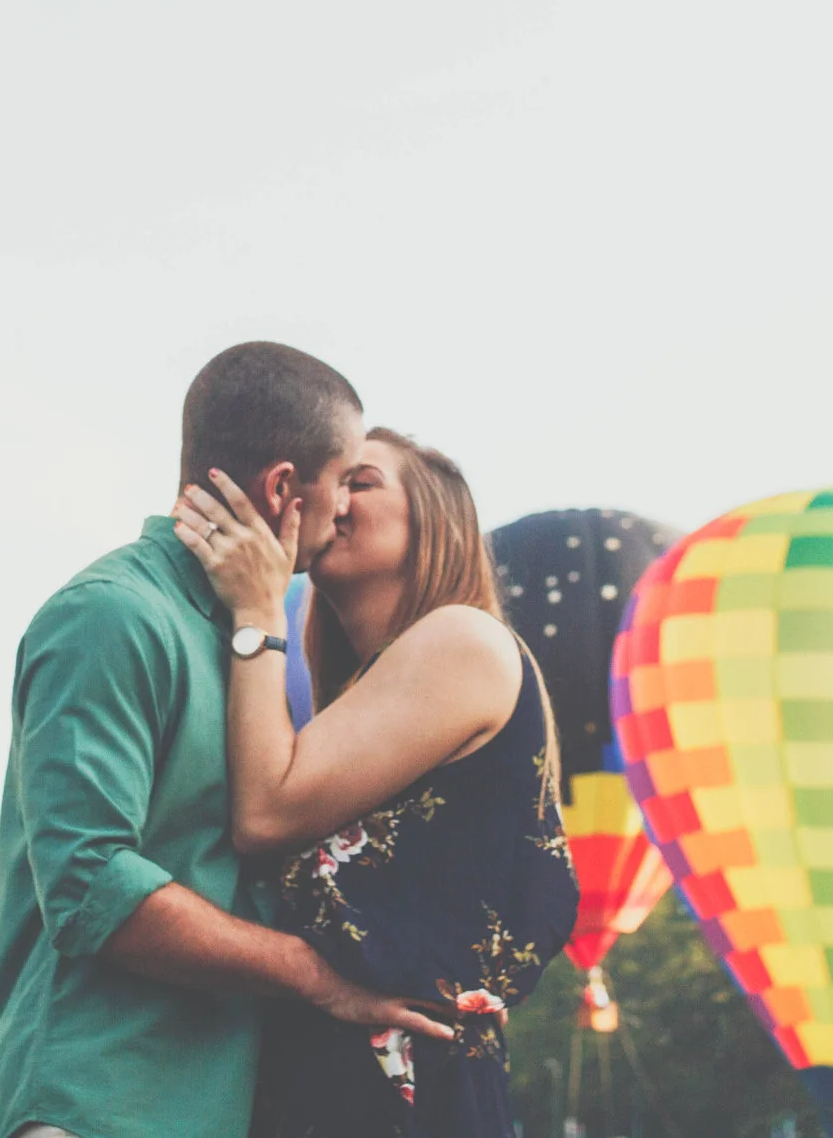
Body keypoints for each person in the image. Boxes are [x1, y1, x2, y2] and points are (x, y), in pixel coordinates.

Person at [0, 343, 454, 1138]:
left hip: (202, 1103)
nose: (343, 514)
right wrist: (314, 974)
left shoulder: (259, 643)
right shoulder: (110, 615)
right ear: (286, 487)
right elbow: (90, 883)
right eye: (344, 482)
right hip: (87, 1103)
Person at [174, 427, 580, 1137]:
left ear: (435, 520)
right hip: (328, 1073)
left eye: (359, 481)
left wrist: (257, 609)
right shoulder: (361, 692)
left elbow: (265, 814)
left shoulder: (462, 637)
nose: (329, 499)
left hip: (396, 1086)